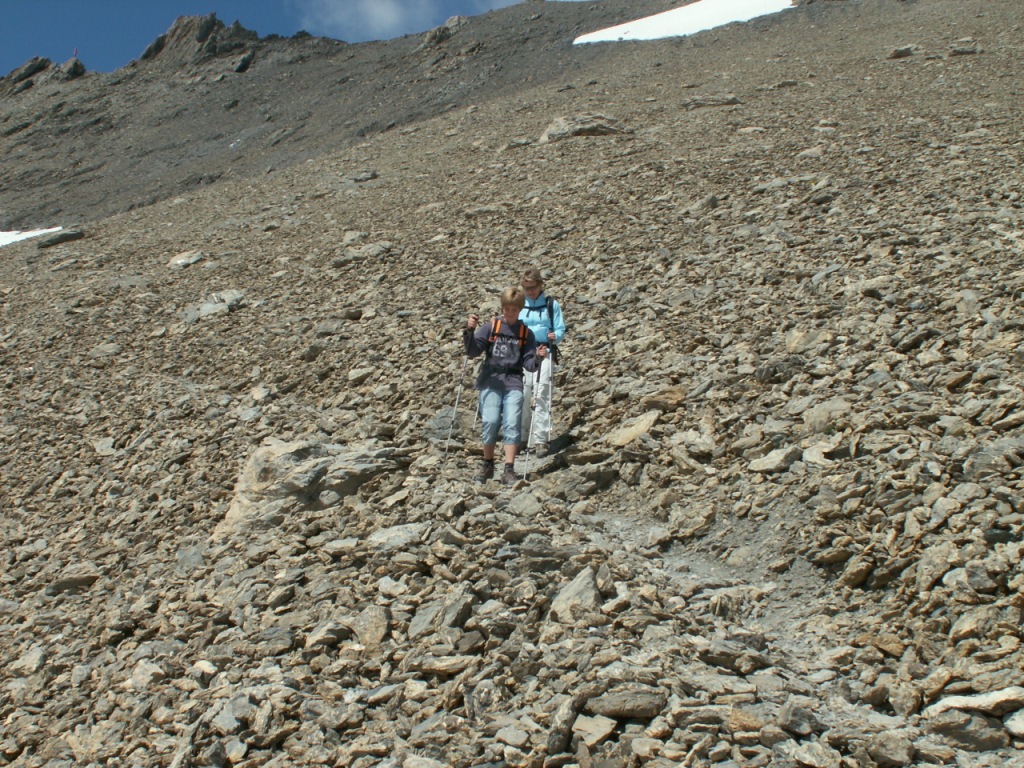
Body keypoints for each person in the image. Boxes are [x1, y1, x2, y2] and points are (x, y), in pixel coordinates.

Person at [464, 286, 547, 485]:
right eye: (507, 309)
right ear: (503, 307)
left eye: (514, 310)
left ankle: (509, 469)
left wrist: (537, 357)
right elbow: (473, 351)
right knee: (491, 421)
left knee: (512, 423)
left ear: (520, 310)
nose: (510, 313)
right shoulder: (492, 326)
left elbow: (529, 364)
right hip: (491, 381)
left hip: (514, 382)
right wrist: (469, 331)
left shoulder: (526, 333)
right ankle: (488, 463)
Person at [519, 267, 566, 458]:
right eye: (526, 287)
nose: (530, 291)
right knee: (522, 393)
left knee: (541, 391)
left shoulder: (550, 304)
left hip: (544, 351)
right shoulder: (519, 303)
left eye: (533, 287)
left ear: (540, 285)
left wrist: (557, 335)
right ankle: (521, 437)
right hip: (523, 353)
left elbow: (560, 327)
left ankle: (540, 439)